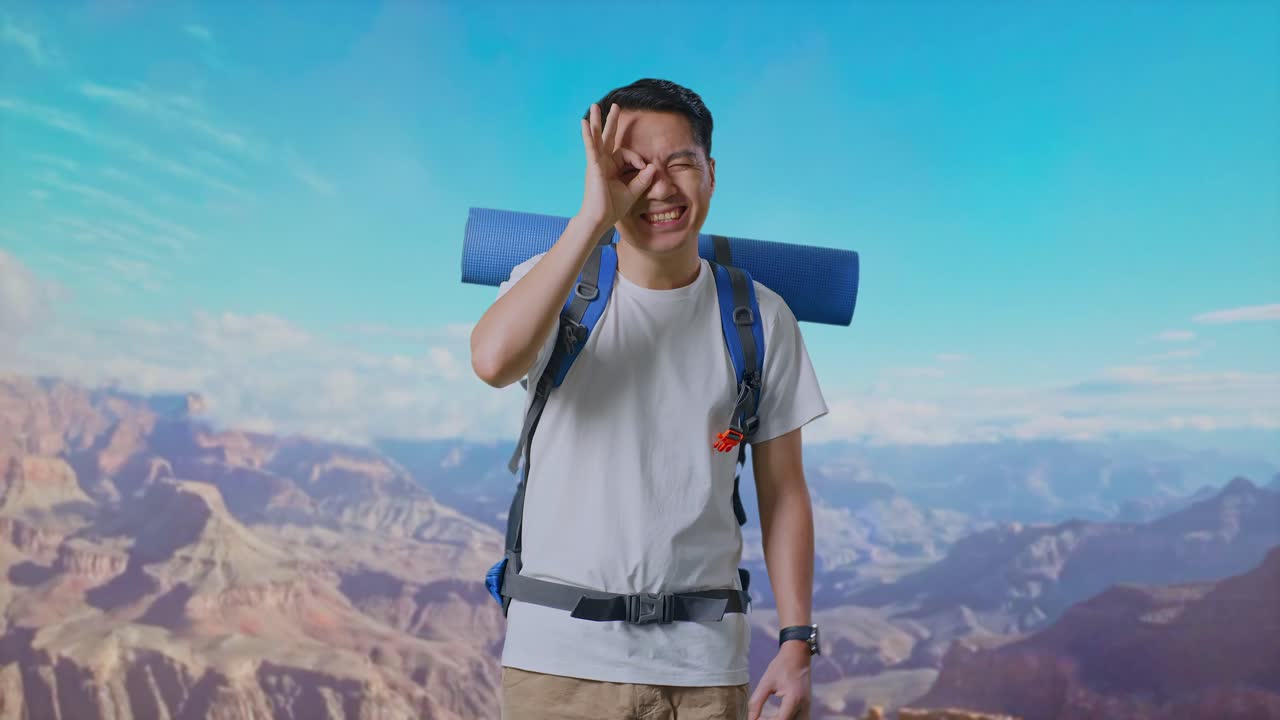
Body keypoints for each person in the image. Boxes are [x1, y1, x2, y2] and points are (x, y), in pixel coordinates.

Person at [470, 78, 828, 720]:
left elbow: (784, 493)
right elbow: (493, 362)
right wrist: (592, 219)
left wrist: (797, 641)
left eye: (680, 163)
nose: (657, 187)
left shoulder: (761, 317)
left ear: (711, 173)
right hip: (559, 667)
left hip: (703, 669)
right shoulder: (554, 286)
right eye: (632, 168)